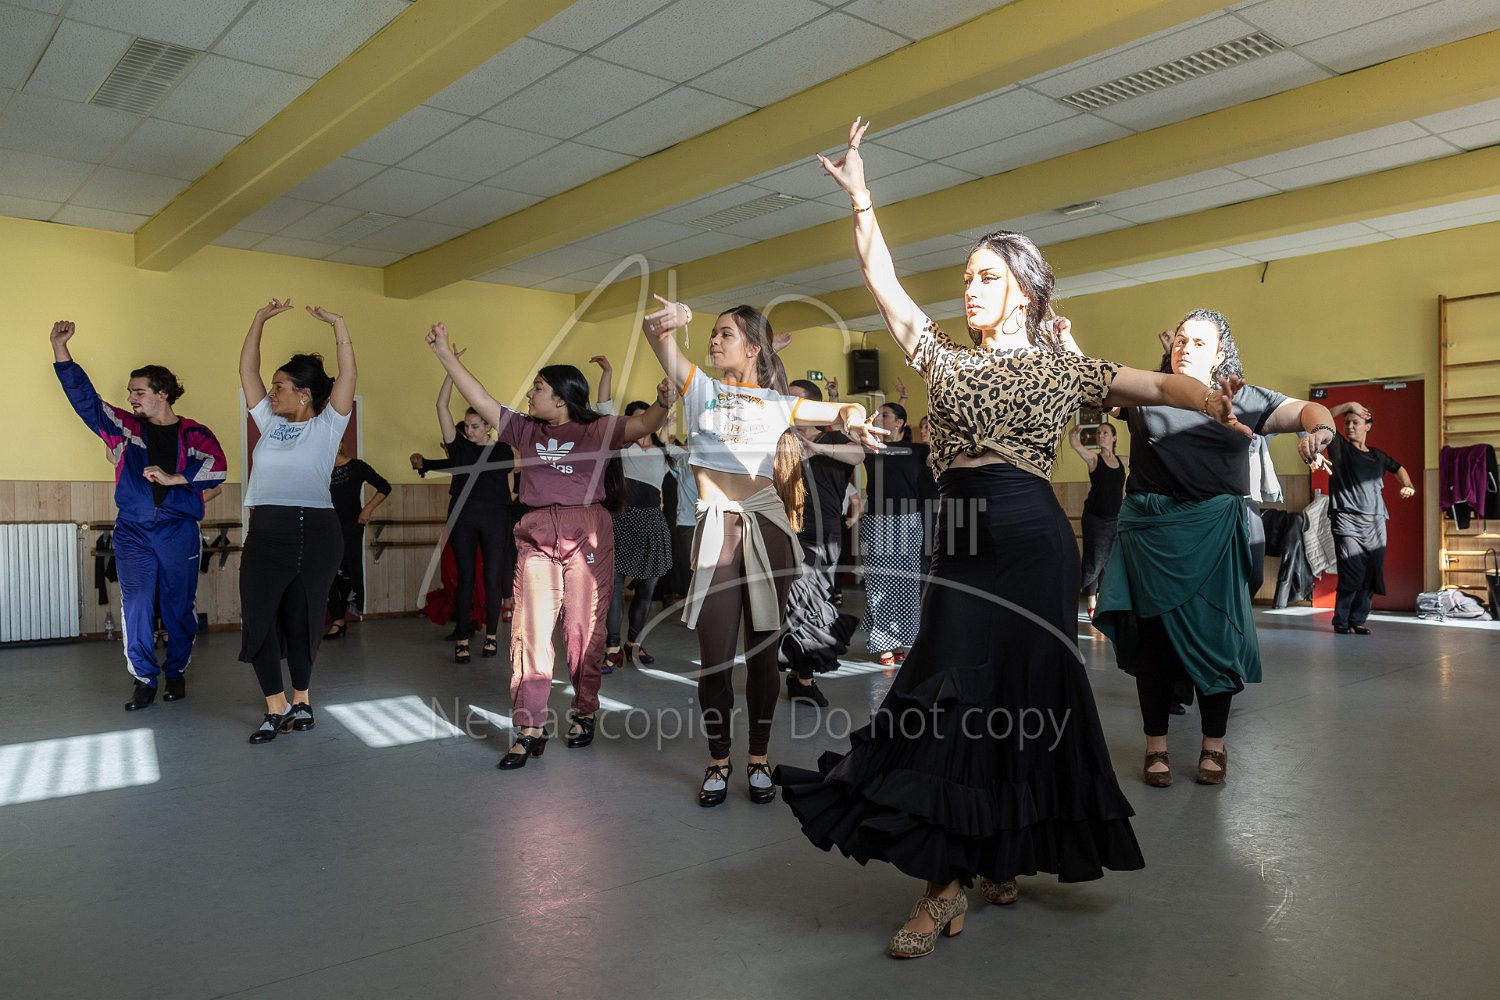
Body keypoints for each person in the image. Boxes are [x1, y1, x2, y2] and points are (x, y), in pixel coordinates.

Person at [775, 119, 1249, 959]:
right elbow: (882, 283)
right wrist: (862, 201)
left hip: (1032, 539)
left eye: (986, 276)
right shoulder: (945, 360)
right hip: (961, 540)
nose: (970, 288)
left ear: (1024, 292)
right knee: (950, 698)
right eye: (966, 277)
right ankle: (948, 877)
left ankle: (974, 868)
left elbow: (1157, 383)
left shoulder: (1065, 367)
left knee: (1023, 706)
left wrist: (1216, 401)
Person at [641, 295, 884, 807]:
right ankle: (718, 759)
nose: (714, 340)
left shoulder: (777, 404)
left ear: (754, 348)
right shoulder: (699, 388)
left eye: (725, 334)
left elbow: (843, 409)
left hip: (768, 527)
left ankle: (756, 758)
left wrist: (853, 415)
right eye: (712, 333)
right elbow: (653, 334)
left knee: (763, 656)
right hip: (716, 527)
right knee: (714, 660)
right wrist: (673, 320)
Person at [1095, 308, 1335, 789]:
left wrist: (1320, 432)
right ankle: (1156, 746)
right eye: (1181, 340)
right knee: (1155, 646)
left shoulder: (1243, 398)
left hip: (1212, 533)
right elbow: (1093, 381)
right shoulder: (1147, 392)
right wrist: (1062, 339)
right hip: (1152, 536)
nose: (1185, 347)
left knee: (1215, 639)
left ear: (1221, 352)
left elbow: (1309, 410)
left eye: (1199, 342)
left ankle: (1214, 745)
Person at [424, 324, 671, 770]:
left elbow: (644, 423)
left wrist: (664, 402)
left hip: (587, 529)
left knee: (582, 632)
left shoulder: (597, 429)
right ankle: (529, 728)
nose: (530, 393)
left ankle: (584, 709)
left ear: (560, 397)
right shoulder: (523, 429)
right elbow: (480, 397)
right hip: (537, 531)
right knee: (530, 631)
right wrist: (445, 354)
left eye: (537, 387)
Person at [51, 321, 227, 711]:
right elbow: (86, 400)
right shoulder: (125, 428)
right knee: (137, 603)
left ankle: (176, 671)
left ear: (162, 394)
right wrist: (61, 351)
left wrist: (174, 477)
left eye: (138, 392)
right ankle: (144, 678)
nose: (130, 398)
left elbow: (218, 467)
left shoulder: (195, 434)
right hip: (133, 531)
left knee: (178, 604)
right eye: (129, 392)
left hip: (179, 531)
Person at [238, 298, 357, 744]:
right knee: (258, 619)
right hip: (266, 531)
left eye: (280, 386)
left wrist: (338, 324)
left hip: (315, 531)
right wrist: (258, 319)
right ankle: (276, 706)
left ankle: (302, 700)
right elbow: (246, 371)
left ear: (304, 393)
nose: (271, 392)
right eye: (272, 386)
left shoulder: (328, 426)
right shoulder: (269, 423)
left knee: (301, 618)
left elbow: (348, 377)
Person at [410, 351, 517, 662]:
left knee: (493, 576)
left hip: (496, 517)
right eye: (467, 426)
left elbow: (511, 482)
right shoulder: (458, 448)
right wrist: (450, 368)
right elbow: (441, 406)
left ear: (488, 426)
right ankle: (462, 640)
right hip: (463, 517)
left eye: (475, 426)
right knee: (466, 577)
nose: (469, 431)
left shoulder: (503, 451)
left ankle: (492, 637)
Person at [783, 378, 865, 705]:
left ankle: (800, 674)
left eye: (796, 401)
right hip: (789, 531)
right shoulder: (783, 440)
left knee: (815, 602)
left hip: (825, 534)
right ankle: (802, 677)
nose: (790, 407)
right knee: (796, 603)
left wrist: (815, 449)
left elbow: (858, 454)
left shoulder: (833, 438)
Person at [1323, 401, 1416, 634]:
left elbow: (1398, 468)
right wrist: (1348, 405)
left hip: (1376, 522)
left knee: (1371, 573)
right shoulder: (1339, 448)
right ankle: (1341, 621)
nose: (1350, 426)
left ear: (1368, 426)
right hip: (1346, 520)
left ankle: (1358, 620)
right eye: (1347, 423)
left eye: (1355, 422)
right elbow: (1322, 419)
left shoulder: (1377, 456)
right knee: (1351, 570)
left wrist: (1408, 485)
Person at [603, 399, 675, 670]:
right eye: (637, 418)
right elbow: (605, 411)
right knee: (614, 587)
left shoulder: (665, 452)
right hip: (621, 520)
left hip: (652, 523)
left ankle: (634, 643)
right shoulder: (621, 449)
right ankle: (612, 648)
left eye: (648, 417)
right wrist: (608, 376)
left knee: (646, 590)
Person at [861, 402, 928, 665]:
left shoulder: (917, 450)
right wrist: (834, 398)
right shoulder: (871, 447)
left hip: (908, 521)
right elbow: (843, 433)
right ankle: (884, 642)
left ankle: (908, 641)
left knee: (907, 584)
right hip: (875, 521)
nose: (878, 418)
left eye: (885, 415)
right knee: (879, 583)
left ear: (899, 422)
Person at [325, 444, 390, 638]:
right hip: (326, 524)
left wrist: (367, 509)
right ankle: (337, 619)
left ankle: (340, 618)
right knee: (328, 571)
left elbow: (384, 486)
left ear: (342, 444)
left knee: (347, 570)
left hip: (351, 525)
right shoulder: (319, 466)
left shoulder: (357, 466)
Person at [1067, 421, 1127, 618]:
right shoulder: (1094, 459)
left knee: (1107, 561)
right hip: (1095, 519)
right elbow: (1075, 445)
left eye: (1105, 432)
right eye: (1098, 432)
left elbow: (1143, 460)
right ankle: (1077, 597)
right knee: (1094, 561)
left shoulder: (1122, 461)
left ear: (1114, 437)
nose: (1100, 435)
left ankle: (1097, 602)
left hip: (1114, 520)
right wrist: (1073, 434)